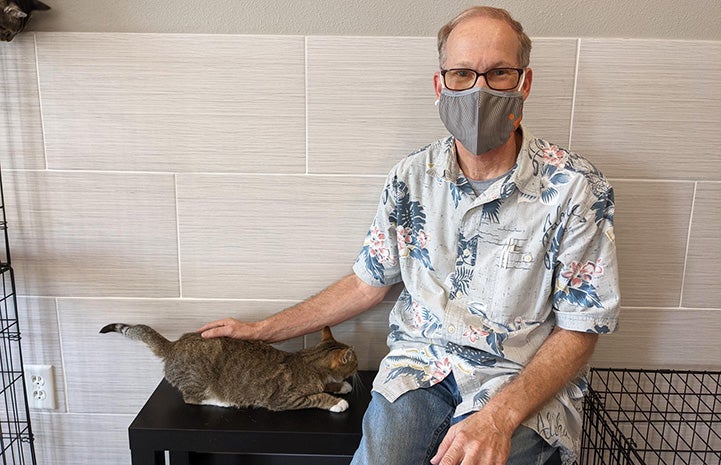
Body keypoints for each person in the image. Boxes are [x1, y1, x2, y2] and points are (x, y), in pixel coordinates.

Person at [198, 6, 620, 465]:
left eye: (498, 73)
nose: (478, 89)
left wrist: (498, 418)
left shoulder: (577, 189)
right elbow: (367, 282)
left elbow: (581, 328)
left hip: (517, 383)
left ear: (524, 83)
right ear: (441, 86)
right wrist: (260, 331)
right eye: (462, 74)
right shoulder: (412, 177)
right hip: (419, 371)